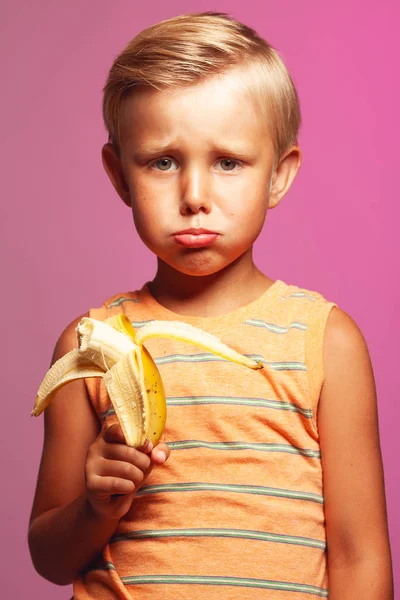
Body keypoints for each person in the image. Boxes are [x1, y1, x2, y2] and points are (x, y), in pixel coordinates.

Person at [28, 11, 393, 599]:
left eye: (228, 162)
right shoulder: (91, 346)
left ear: (279, 175)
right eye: (162, 162)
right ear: (120, 175)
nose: (195, 197)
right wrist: (97, 507)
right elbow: (47, 554)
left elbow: (360, 554)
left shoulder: (325, 341)